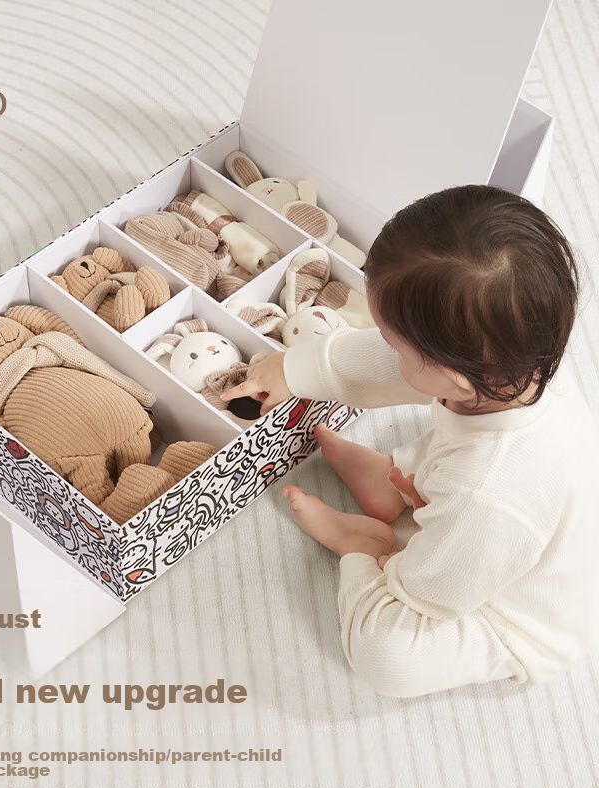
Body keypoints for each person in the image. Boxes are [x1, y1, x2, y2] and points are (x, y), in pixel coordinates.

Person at [221, 185, 598, 697]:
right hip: (485, 515)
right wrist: (294, 369)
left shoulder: (488, 491)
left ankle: (367, 542)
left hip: (512, 610)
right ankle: (395, 485)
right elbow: (380, 365)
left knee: (388, 656)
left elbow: (436, 590)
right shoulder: (511, 364)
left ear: (455, 377)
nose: (386, 351)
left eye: (395, 344)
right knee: (442, 445)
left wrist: (393, 565)